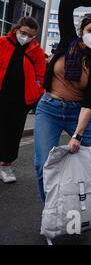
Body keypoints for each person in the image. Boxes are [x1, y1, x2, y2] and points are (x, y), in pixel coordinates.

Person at [33, 0, 91, 220]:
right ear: (82, 29)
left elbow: (87, 104)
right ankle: (52, 210)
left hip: (76, 113)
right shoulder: (67, 43)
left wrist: (77, 135)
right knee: (43, 162)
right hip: (49, 109)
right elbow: (65, 2)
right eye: (90, 29)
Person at [0, 17, 46, 183]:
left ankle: (5, 165)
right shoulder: (3, 42)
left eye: (31, 36)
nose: (25, 37)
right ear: (17, 29)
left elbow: (42, 75)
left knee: (13, 132)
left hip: (21, 100)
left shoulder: (37, 51)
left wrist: (36, 91)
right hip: (1, 94)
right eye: (23, 33)